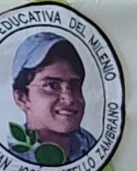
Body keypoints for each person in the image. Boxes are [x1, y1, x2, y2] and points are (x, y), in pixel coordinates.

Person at [5, 32, 95, 164]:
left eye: (74, 86)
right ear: (22, 98)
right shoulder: (7, 158)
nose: (69, 98)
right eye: (52, 86)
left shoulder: (93, 149)